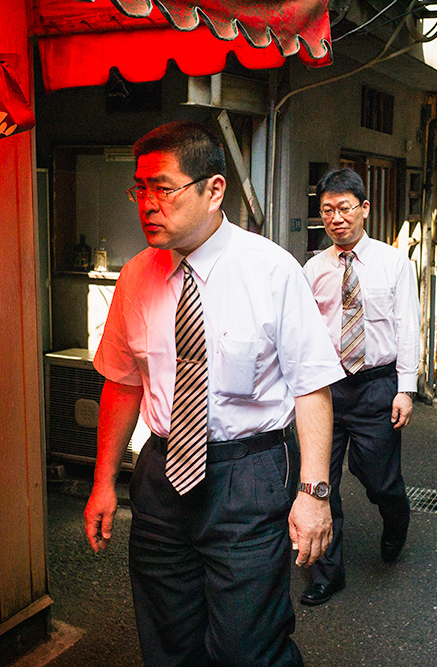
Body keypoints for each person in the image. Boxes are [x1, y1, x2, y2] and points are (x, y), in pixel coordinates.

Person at [84, 121, 345, 666]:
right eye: (141, 189)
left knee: (249, 649)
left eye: (164, 187)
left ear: (214, 190)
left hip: (246, 475)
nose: (148, 204)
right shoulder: (136, 276)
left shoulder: (271, 270)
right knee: (168, 642)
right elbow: (123, 381)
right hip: (159, 477)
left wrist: (314, 493)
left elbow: (312, 388)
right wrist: (104, 481)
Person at [299, 168, 420, 606]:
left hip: (376, 386)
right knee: (320, 481)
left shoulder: (392, 262)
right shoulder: (314, 268)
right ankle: (327, 573)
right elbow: (302, 330)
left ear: (364, 208)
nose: (336, 218)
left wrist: (406, 387)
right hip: (326, 389)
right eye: (327, 210)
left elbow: (409, 325)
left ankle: (396, 520)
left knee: (378, 480)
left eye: (345, 208)